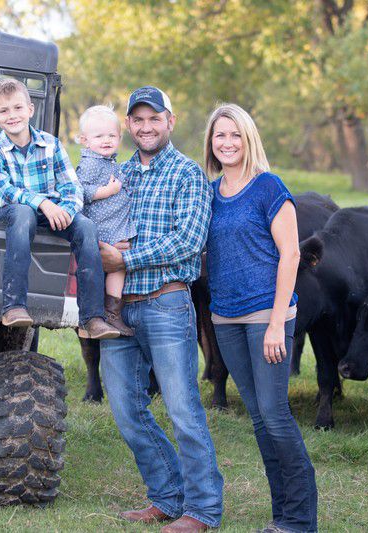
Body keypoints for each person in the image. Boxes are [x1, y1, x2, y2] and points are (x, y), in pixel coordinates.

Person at [99, 86, 224, 533]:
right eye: (138, 119)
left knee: (183, 410)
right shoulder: (117, 175)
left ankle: (203, 510)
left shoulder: (187, 174)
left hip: (165, 304)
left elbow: (189, 242)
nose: (146, 126)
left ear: (170, 121)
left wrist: (124, 260)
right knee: (127, 411)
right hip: (116, 310)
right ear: (128, 124)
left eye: (155, 118)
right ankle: (166, 497)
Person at [203, 103, 318, 533]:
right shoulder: (211, 193)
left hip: (268, 318)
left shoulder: (269, 187)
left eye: (235, 135)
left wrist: (275, 324)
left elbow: (291, 255)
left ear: (248, 138)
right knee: (257, 417)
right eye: (220, 136)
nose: (227, 143)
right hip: (226, 321)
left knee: (275, 413)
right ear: (211, 143)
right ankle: (281, 517)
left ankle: (302, 519)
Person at [0, 78, 119, 339]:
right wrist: (43, 203)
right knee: (23, 214)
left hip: (53, 211)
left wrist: (67, 210)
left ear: (30, 109)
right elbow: (3, 192)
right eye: (4, 111)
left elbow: (72, 186)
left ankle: (92, 318)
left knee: (86, 226)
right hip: (13, 210)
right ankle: (14, 306)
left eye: (17, 108)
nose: (12, 115)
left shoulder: (51, 144)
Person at [75, 105, 137, 336]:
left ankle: (109, 313)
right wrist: (106, 191)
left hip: (114, 226)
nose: (106, 140)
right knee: (114, 269)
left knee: (115, 270)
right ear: (84, 140)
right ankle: (107, 314)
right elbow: (78, 191)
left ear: (120, 137)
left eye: (111, 135)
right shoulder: (90, 162)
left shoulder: (109, 161)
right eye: (99, 136)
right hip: (103, 228)